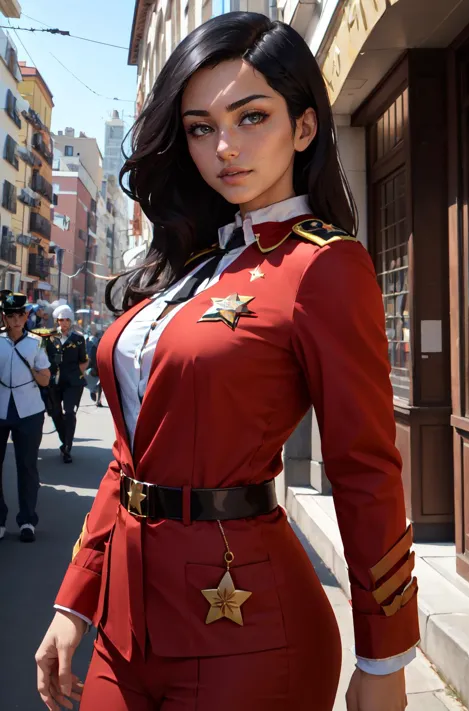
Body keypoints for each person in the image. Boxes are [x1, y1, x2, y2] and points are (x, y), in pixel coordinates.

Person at [35, 13, 419, 711]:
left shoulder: (323, 265)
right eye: (201, 127)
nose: (225, 148)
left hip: (248, 629)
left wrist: (385, 656)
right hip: (126, 624)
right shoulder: (192, 267)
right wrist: (75, 601)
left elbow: (365, 467)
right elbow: (129, 458)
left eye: (251, 117)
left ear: (303, 128)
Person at [0, 291, 50, 543]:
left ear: (26, 315)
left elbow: (46, 377)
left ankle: (27, 520)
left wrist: (35, 370)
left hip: (29, 411)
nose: (15, 319)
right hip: (0, 410)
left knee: (27, 466)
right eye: (10, 315)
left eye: (20, 314)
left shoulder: (37, 343)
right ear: (4, 317)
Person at [46, 305, 88, 464]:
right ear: (57, 320)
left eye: (67, 320)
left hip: (73, 382)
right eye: (61, 319)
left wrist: (77, 373)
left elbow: (84, 360)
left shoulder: (78, 338)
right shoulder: (49, 337)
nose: (64, 323)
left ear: (71, 321)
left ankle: (68, 447)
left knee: (69, 412)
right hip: (54, 382)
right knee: (55, 413)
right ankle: (64, 440)